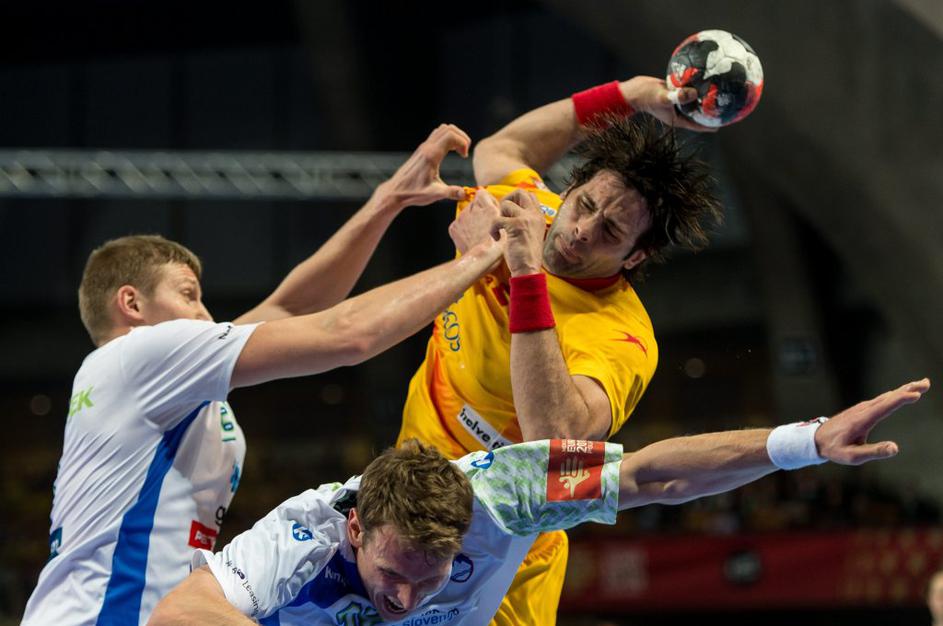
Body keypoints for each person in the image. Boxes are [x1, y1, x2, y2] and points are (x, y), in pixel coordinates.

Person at [21, 125, 510, 626]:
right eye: (188, 295)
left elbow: (294, 307)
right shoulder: (140, 355)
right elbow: (347, 334)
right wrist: (478, 257)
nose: (206, 315)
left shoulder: (146, 378)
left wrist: (388, 200)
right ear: (132, 304)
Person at [150, 379, 929, 625]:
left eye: (430, 577)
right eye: (391, 573)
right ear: (355, 527)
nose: (406, 599)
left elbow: (651, 477)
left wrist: (806, 441)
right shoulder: (307, 528)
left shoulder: (508, 489)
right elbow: (181, 614)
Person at [398, 77, 719, 624]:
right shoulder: (529, 208)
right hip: (401, 498)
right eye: (584, 205)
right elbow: (502, 148)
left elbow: (555, 441)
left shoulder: (621, 337)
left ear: (635, 257)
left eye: (610, 230)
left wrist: (522, 274)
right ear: (568, 190)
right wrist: (629, 96)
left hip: (500, 551)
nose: (581, 231)